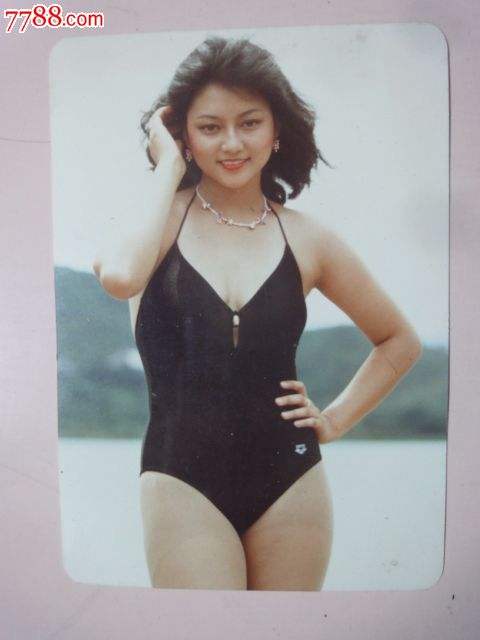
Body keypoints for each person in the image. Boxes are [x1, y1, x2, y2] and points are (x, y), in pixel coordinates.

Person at [93, 36, 422, 591]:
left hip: (292, 483)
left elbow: (398, 341)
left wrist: (334, 420)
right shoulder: (154, 224)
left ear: (276, 130)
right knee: (207, 628)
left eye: (249, 123)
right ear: (183, 136)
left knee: (285, 629)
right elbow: (122, 278)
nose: (232, 143)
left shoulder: (309, 239)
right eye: (209, 127)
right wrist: (167, 167)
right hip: (181, 481)